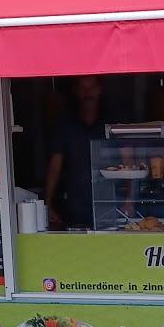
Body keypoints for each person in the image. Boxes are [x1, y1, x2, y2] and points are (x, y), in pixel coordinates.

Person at [44, 75, 107, 229]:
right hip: (76, 205)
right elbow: (55, 167)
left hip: (109, 202)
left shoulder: (111, 120)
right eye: (83, 89)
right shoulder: (66, 123)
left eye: (91, 88)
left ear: (99, 90)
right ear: (76, 92)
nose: (88, 93)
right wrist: (47, 204)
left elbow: (128, 163)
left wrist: (128, 202)